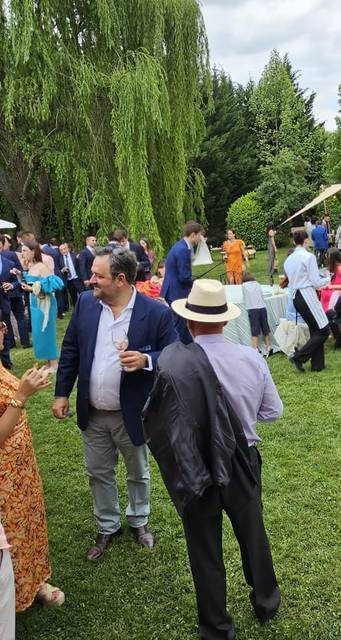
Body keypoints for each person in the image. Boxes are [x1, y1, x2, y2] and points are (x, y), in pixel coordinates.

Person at [144, 278, 281, 639]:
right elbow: (273, 412)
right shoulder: (251, 358)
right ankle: (266, 602)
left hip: (195, 464)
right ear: (224, 320)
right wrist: (243, 417)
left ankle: (217, 627)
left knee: (204, 547)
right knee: (253, 535)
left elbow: (163, 421)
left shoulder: (173, 365)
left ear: (189, 322)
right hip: (243, 461)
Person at [53, 247, 179, 561]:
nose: (90, 280)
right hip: (93, 412)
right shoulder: (85, 304)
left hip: (133, 413)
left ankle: (139, 520)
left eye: (98, 275)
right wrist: (61, 393)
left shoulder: (156, 312)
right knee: (98, 473)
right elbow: (70, 350)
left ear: (120, 279)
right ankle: (107, 525)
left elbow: (177, 354)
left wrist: (148, 359)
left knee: (138, 471)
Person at [0, 335, 65, 614]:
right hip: (3, 479)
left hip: (20, 470)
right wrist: (21, 396)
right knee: (11, 534)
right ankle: (11, 596)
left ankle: (35, 583)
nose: (3, 329)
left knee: (29, 524)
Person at [283, 230, 330, 373]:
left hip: (296, 296)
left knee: (315, 329)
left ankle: (318, 364)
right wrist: (329, 278)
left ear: (294, 242)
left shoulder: (288, 259)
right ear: (306, 241)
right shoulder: (308, 257)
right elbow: (315, 282)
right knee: (323, 330)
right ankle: (299, 357)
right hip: (306, 295)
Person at [15, 241, 64, 367]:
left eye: (25, 250)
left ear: (33, 251)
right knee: (39, 333)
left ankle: (54, 363)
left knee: (47, 331)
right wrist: (20, 274)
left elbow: (54, 284)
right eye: (22, 251)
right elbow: (31, 281)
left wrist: (31, 289)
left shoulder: (42, 266)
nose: (22, 253)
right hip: (34, 303)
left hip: (45, 304)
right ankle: (48, 361)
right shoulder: (30, 266)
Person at [162, 221, 205, 344]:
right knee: (180, 325)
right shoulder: (183, 250)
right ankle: (179, 350)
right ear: (193, 235)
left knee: (181, 323)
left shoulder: (180, 245)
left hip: (173, 290)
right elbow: (184, 277)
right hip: (176, 292)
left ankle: (188, 347)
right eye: (199, 235)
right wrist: (197, 282)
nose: (200, 238)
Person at [0, 236, 29, 352]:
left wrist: (12, 285)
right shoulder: (12, 254)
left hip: (13, 293)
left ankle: (21, 342)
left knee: (19, 317)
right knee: (9, 319)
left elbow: (19, 276)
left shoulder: (10, 259)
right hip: (5, 297)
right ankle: (16, 342)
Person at [241, 273, 272, 355]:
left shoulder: (244, 286)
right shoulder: (257, 284)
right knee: (265, 328)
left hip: (252, 309)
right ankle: (269, 347)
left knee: (255, 330)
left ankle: (255, 349)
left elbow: (243, 297)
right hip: (262, 307)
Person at [59, 242, 84, 310]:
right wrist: (62, 270)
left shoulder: (75, 255)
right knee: (73, 297)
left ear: (68, 249)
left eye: (64, 249)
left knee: (82, 294)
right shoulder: (59, 258)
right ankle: (76, 310)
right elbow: (58, 269)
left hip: (77, 278)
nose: (63, 251)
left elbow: (81, 265)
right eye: (61, 250)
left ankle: (85, 307)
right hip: (68, 280)